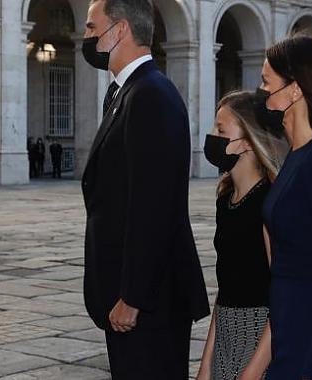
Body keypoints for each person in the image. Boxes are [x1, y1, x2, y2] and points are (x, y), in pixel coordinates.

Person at [81, 0, 210, 378]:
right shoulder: (127, 93)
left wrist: (133, 297)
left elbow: (154, 208)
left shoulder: (151, 95)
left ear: (118, 30)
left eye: (91, 28)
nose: (85, 36)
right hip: (132, 294)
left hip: (148, 302)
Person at [254, 35, 312, 380]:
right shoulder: (295, 156)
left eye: (266, 82)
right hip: (288, 324)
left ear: (294, 89)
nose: (260, 92)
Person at [196, 91, 287, 380]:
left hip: (262, 336)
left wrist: (253, 372)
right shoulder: (225, 199)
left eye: (221, 130)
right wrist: (205, 365)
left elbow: (284, 295)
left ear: (247, 140)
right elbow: (227, 287)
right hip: (226, 332)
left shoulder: (270, 201)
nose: (212, 136)